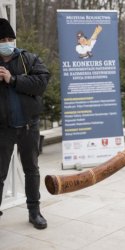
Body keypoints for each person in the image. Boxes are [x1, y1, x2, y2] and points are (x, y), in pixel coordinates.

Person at [0, 18, 50, 229]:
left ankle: (34, 211)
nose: (7, 42)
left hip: (29, 126)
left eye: (10, 38)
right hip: (3, 129)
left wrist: (13, 79)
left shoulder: (27, 59)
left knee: (32, 170)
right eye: (2, 39)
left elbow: (42, 82)